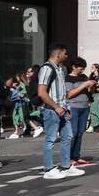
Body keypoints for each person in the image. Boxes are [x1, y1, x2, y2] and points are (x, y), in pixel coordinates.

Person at [34, 43, 85, 181]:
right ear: (58, 54)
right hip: (52, 110)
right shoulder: (47, 68)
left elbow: (63, 92)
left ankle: (65, 166)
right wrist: (56, 107)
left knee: (68, 136)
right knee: (50, 139)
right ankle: (48, 169)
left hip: (62, 109)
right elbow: (41, 92)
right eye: (65, 53)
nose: (67, 56)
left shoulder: (60, 69)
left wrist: (65, 108)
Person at [64, 57, 99, 166]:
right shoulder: (67, 78)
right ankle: (69, 158)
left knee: (80, 133)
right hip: (73, 107)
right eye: (80, 68)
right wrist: (84, 84)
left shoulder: (83, 77)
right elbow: (69, 94)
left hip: (84, 107)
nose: (82, 71)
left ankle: (76, 156)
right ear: (73, 67)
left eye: (83, 68)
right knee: (73, 133)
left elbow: (89, 92)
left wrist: (92, 86)